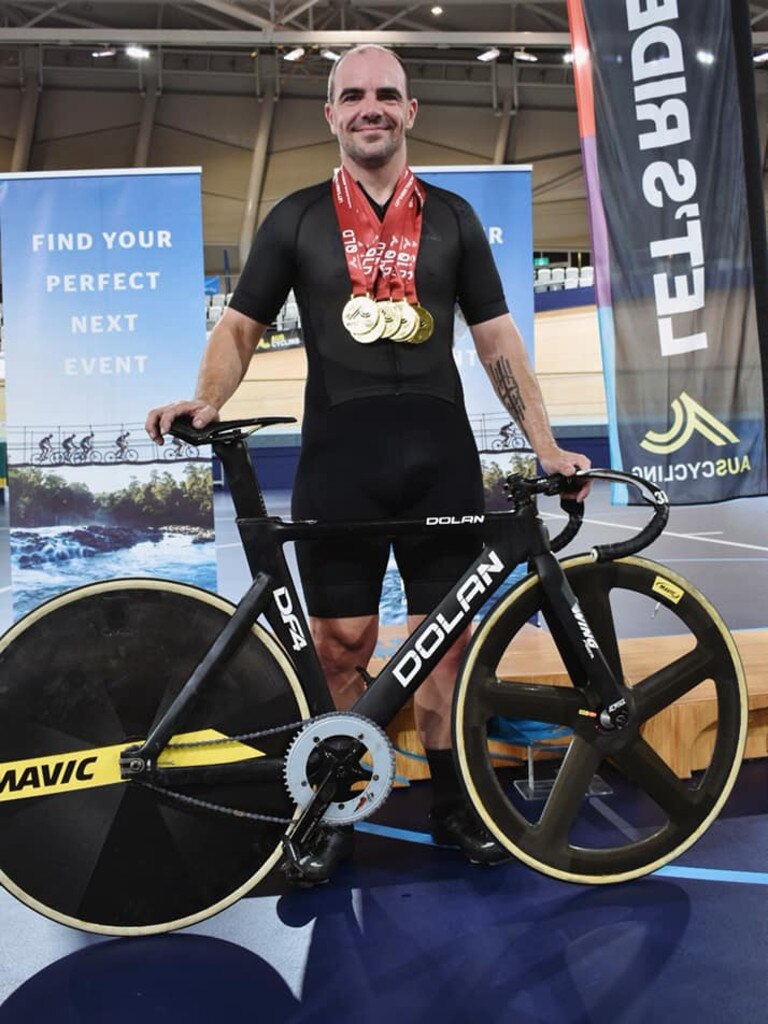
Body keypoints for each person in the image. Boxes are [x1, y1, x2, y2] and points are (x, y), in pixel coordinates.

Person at [146, 44, 591, 883]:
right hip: (339, 461)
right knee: (339, 643)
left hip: (440, 459)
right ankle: (341, 800)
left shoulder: (453, 218)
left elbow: (496, 338)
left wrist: (545, 445)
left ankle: (458, 805)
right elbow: (240, 326)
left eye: (387, 93)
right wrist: (206, 402)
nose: (371, 107)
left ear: (411, 110)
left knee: (445, 647)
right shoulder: (299, 218)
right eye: (353, 96)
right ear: (332, 115)